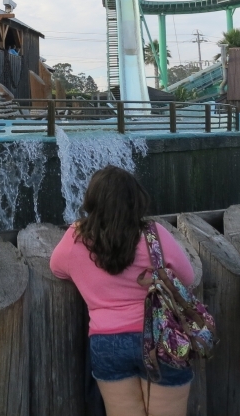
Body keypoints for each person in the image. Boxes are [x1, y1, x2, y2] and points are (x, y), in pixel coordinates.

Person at [51, 166, 195, 416]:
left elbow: (56, 269)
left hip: (108, 342)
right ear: (136, 200)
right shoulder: (153, 235)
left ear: (91, 201)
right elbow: (188, 277)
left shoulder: (75, 238)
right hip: (160, 335)